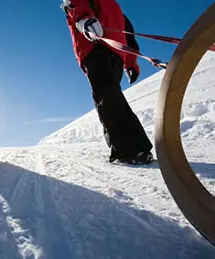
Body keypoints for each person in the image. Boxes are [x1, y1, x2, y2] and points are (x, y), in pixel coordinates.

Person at [61, 0, 154, 164]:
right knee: (108, 95)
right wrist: (85, 19)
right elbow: (76, 4)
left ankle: (127, 149)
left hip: (111, 51)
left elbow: (128, 33)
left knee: (110, 96)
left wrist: (131, 63)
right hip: (95, 46)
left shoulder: (113, 5)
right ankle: (131, 148)